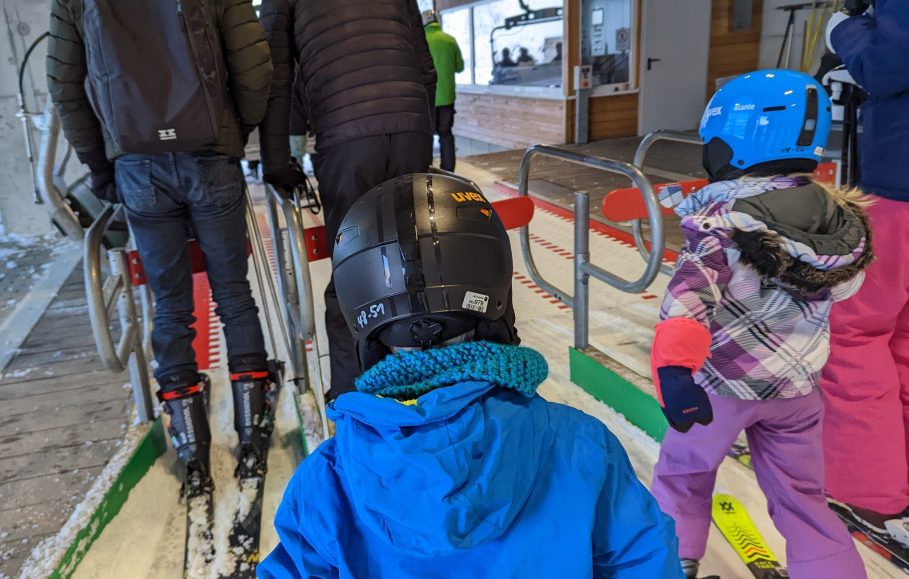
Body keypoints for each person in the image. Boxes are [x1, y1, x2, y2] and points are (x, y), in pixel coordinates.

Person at [257, 173, 684, 578]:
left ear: (365, 329)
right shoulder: (581, 445)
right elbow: (645, 560)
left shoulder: (327, 482)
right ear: (497, 304)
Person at [46, 0, 279, 494]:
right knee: (233, 296)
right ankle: (253, 441)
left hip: (136, 162)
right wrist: (236, 131)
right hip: (212, 153)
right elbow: (254, 66)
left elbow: (65, 88)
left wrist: (100, 163)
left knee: (170, 306)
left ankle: (193, 455)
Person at [649, 70, 872, 579]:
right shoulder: (835, 220)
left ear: (736, 145)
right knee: (802, 497)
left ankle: (670, 564)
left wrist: (675, 373)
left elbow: (688, 301)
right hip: (797, 391)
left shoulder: (723, 223)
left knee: (684, 475)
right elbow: (842, 290)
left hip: (719, 388)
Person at [258, 0, 437, 402]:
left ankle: (352, 392)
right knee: (414, 260)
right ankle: (425, 378)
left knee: (353, 268)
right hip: (411, 127)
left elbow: (275, 78)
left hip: (346, 136)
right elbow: (425, 67)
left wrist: (276, 163)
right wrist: (419, 131)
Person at [821, 0, 909, 545]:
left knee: (857, 332)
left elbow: (889, 59)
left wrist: (846, 29)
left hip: (899, 182)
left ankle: (871, 493)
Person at [423, 10, 464, 172]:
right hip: (446, 97)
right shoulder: (450, 41)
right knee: (445, 134)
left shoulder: (421, 42)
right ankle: (448, 171)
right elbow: (460, 67)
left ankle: (427, 170)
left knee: (426, 136)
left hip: (427, 99)